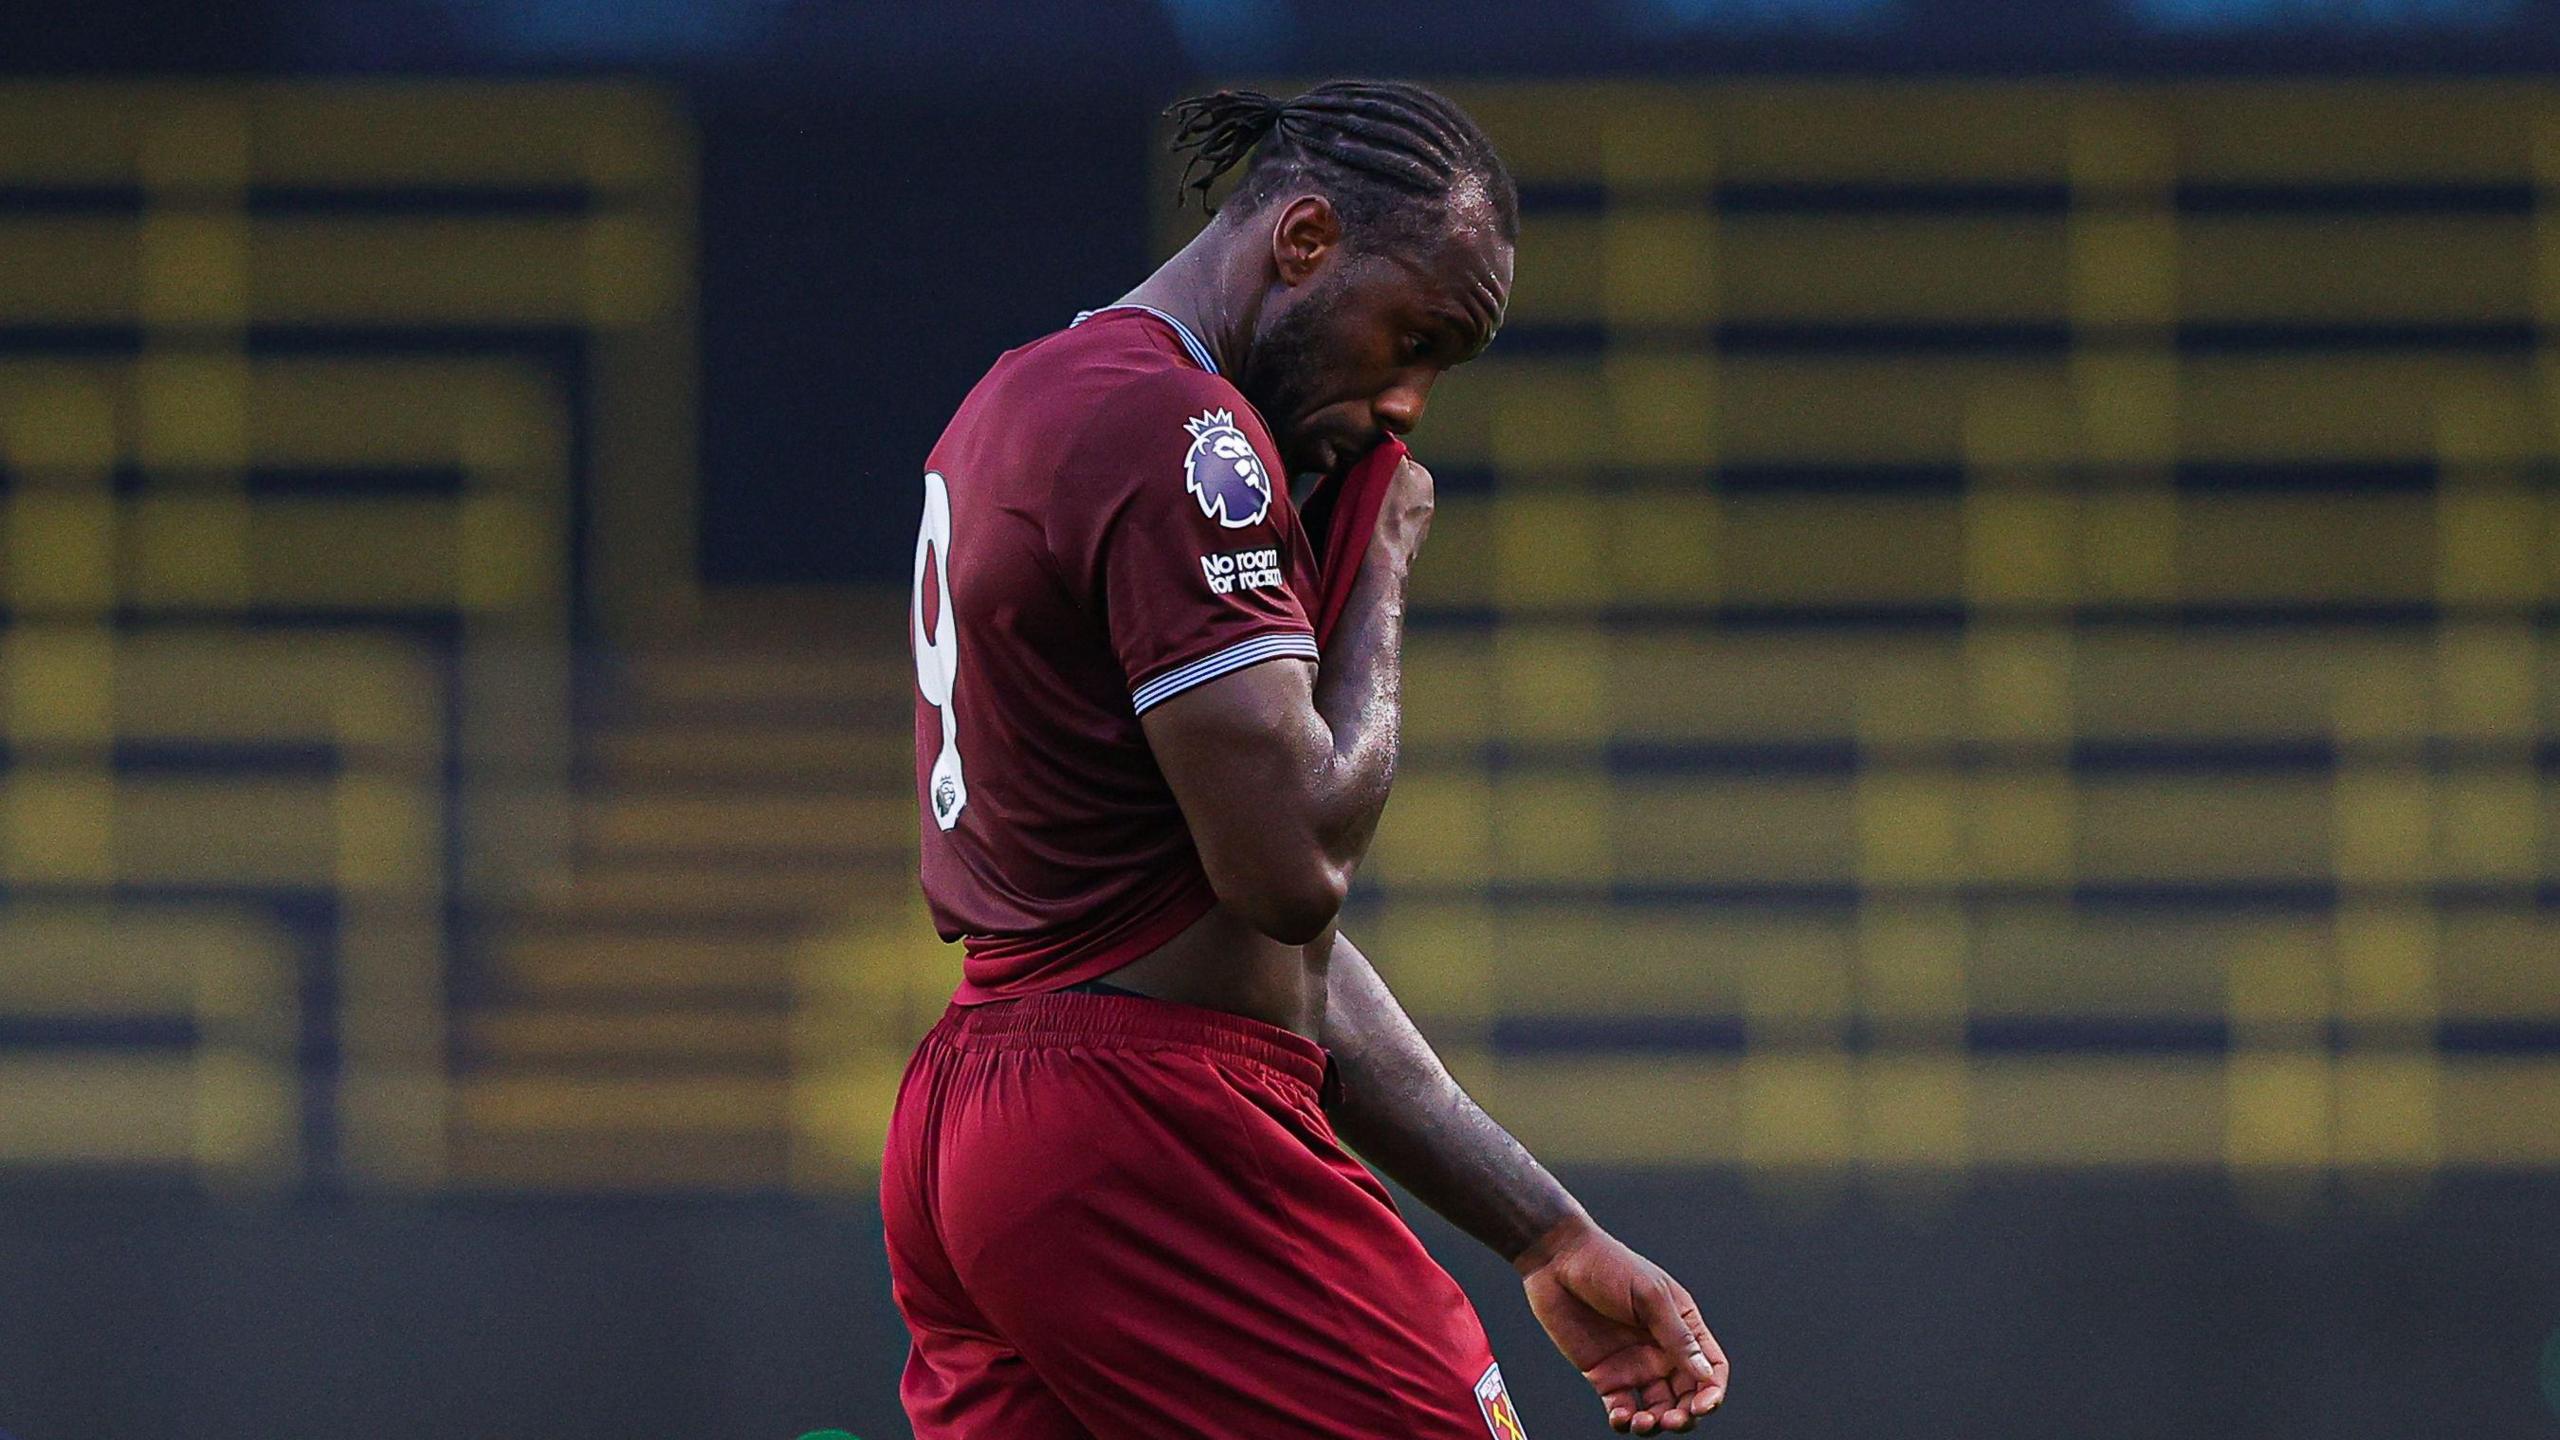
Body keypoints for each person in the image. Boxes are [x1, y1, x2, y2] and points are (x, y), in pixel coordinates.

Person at [885, 79, 1731, 1438]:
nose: (1404, 404)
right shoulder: (1183, 431)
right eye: (1412, 336)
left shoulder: (1016, 398)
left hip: (980, 1117)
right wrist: (1380, 569)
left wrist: (1544, 1232)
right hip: (1144, 1130)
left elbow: (1270, 962)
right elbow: (1291, 875)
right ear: (1304, 239)